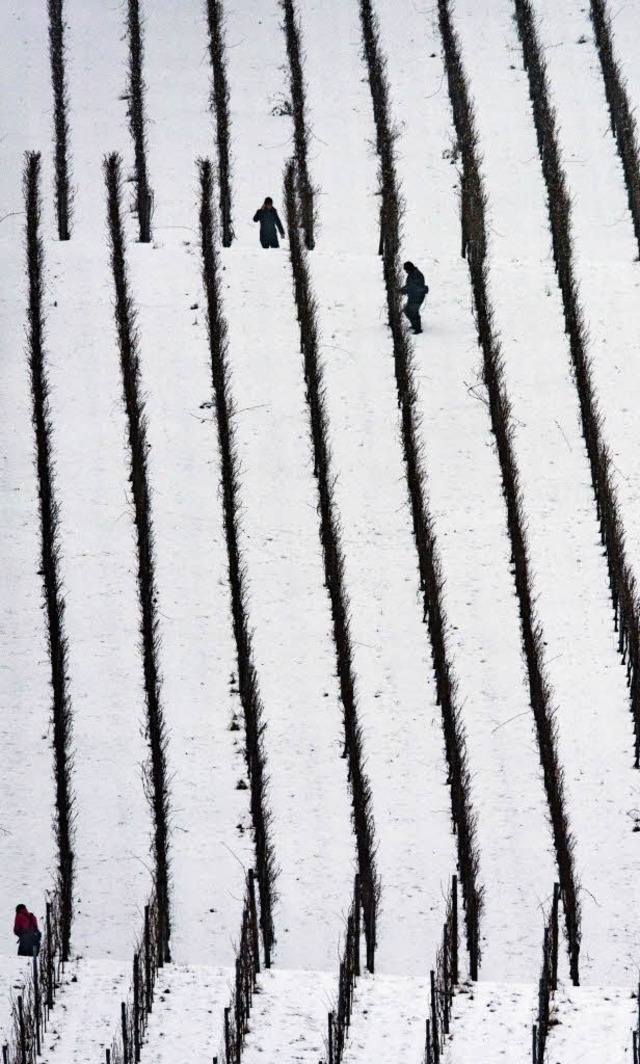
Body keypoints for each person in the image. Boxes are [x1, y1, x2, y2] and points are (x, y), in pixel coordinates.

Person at [400, 261, 429, 334]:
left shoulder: (416, 275)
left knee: (414, 312)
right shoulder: (412, 273)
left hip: (417, 297)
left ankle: (418, 329)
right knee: (407, 310)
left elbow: (413, 287)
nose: (406, 272)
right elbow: (410, 285)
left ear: (409, 268)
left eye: (406, 270)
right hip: (413, 297)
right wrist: (402, 289)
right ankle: (414, 325)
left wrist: (403, 290)